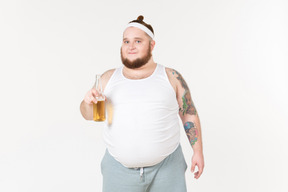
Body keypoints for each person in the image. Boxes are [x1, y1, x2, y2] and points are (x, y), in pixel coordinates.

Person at [80, 15, 204, 192]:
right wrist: (87, 103)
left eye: (138, 41)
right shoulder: (107, 78)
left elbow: (188, 113)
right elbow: (88, 114)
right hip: (118, 171)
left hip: (167, 169)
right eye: (126, 41)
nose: (131, 46)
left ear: (152, 45)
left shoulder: (171, 77)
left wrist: (197, 151)